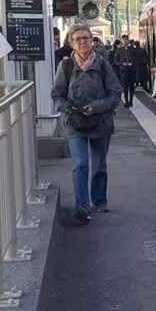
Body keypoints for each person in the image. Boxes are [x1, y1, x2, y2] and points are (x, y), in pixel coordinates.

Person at [52, 24, 122, 224]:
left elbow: (115, 92)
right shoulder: (65, 66)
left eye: (86, 38)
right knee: (81, 164)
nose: (83, 42)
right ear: (71, 43)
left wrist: (97, 107)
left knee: (99, 165)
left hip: (101, 123)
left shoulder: (102, 64)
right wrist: (69, 108)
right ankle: (83, 206)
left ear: (92, 40)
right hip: (74, 123)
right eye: (78, 39)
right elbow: (57, 95)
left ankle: (99, 200)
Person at [116, 34, 138, 107]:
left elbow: (136, 58)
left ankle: (131, 100)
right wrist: (121, 63)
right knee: (125, 87)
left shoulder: (133, 49)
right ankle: (126, 101)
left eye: (126, 39)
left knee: (131, 86)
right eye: (123, 39)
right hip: (123, 70)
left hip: (131, 70)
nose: (125, 41)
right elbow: (116, 60)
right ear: (122, 41)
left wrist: (133, 63)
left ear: (128, 40)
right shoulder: (119, 50)